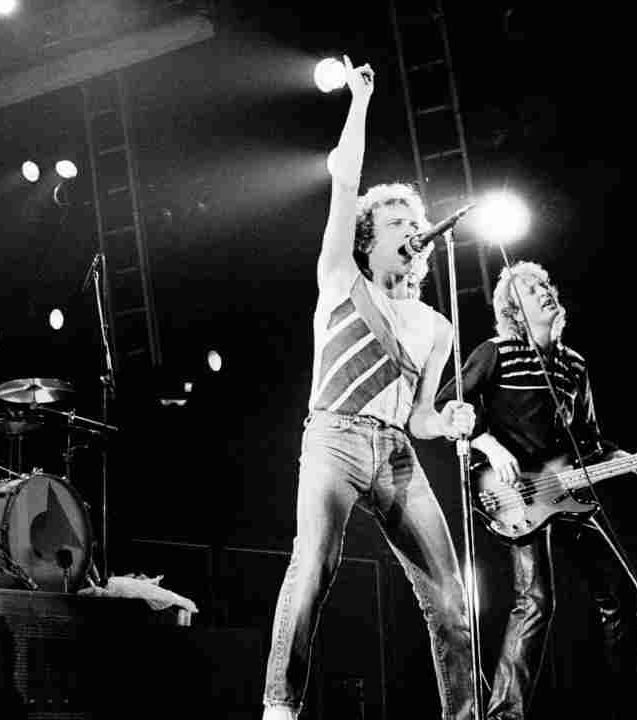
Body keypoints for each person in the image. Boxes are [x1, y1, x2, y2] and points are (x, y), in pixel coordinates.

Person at [262, 56, 477, 720]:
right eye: (396, 225)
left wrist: (451, 419)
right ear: (367, 241)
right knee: (314, 566)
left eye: (415, 224)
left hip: (397, 455)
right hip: (335, 438)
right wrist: (358, 101)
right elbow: (346, 178)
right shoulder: (340, 277)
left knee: (452, 600)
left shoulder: (436, 327)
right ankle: (279, 708)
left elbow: (421, 418)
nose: (412, 231)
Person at [435, 261, 637, 720]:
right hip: (514, 495)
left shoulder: (574, 365)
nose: (544, 291)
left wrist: (633, 460)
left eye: (544, 284)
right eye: (530, 289)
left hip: (567, 494)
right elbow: (448, 402)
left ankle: (632, 712)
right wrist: (489, 445)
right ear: (513, 311)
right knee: (537, 600)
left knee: (623, 595)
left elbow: (591, 443)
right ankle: (505, 715)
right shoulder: (496, 352)